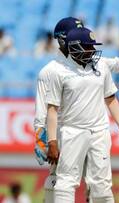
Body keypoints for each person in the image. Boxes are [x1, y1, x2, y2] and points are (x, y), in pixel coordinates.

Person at [45, 27, 119, 203]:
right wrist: (52, 141)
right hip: (72, 131)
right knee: (66, 181)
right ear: (75, 47)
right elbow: (52, 109)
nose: (92, 50)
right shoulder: (58, 71)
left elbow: (111, 98)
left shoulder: (101, 66)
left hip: (99, 131)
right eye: (88, 46)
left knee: (102, 183)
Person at [33, 17, 86, 203]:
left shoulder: (84, 65)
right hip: (62, 133)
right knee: (57, 180)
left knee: (95, 183)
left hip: (86, 131)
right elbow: (43, 108)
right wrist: (42, 137)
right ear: (63, 39)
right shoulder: (49, 71)